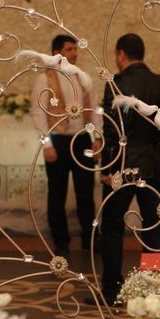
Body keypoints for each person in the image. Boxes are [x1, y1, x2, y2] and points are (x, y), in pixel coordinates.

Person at [100, 33, 160, 304]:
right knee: (153, 227)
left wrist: (106, 169)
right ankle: (155, 290)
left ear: (121, 54)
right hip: (154, 168)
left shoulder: (116, 84)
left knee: (112, 227)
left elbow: (111, 131)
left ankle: (112, 290)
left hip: (121, 168)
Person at [30, 34, 102, 257]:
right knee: (57, 194)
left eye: (75, 49)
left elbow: (95, 109)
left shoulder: (83, 77)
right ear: (56, 53)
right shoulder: (44, 79)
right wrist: (46, 145)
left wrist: (98, 138)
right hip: (57, 141)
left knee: (86, 194)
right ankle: (61, 243)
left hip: (82, 140)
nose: (74, 53)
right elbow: (38, 113)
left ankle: (90, 240)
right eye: (69, 49)